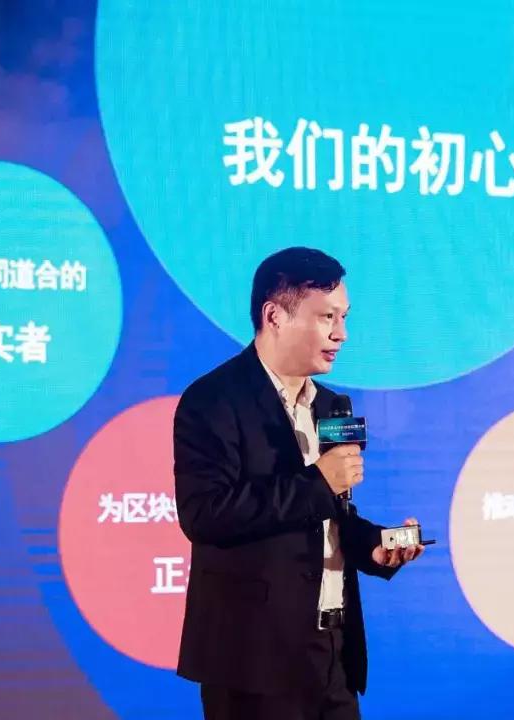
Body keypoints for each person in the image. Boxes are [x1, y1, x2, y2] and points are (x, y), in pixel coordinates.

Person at [173, 246, 424, 719]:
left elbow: (329, 514)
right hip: (252, 662)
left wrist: (373, 546)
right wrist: (319, 483)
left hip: (332, 655)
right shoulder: (213, 400)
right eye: (327, 316)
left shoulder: (331, 406)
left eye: (344, 317)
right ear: (275, 316)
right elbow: (205, 515)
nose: (341, 333)